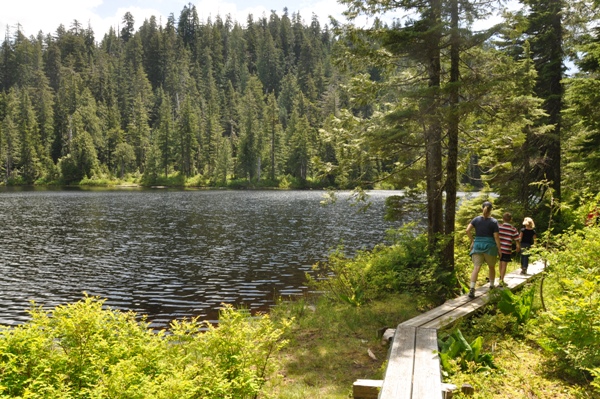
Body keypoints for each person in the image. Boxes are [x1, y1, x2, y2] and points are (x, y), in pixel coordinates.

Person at [466, 201, 502, 299]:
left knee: (476, 268)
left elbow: (467, 230)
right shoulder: (494, 222)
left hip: (477, 245)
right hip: (490, 246)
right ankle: (491, 286)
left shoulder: (476, 219)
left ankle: (472, 289)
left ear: (482, 208)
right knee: (491, 267)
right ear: (491, 210)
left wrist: (472, 241)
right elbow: (496, 237)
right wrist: (499, 249)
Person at [498, 212, 521, 286]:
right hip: (507, 249)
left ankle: (500, 278)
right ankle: (501, 280)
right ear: (511, 219)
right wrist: (518, 246)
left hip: (499, 249)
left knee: (500, 263)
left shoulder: (499, 227)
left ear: (503, 219)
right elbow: (517, 239)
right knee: (504, 264)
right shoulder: (513, 229)